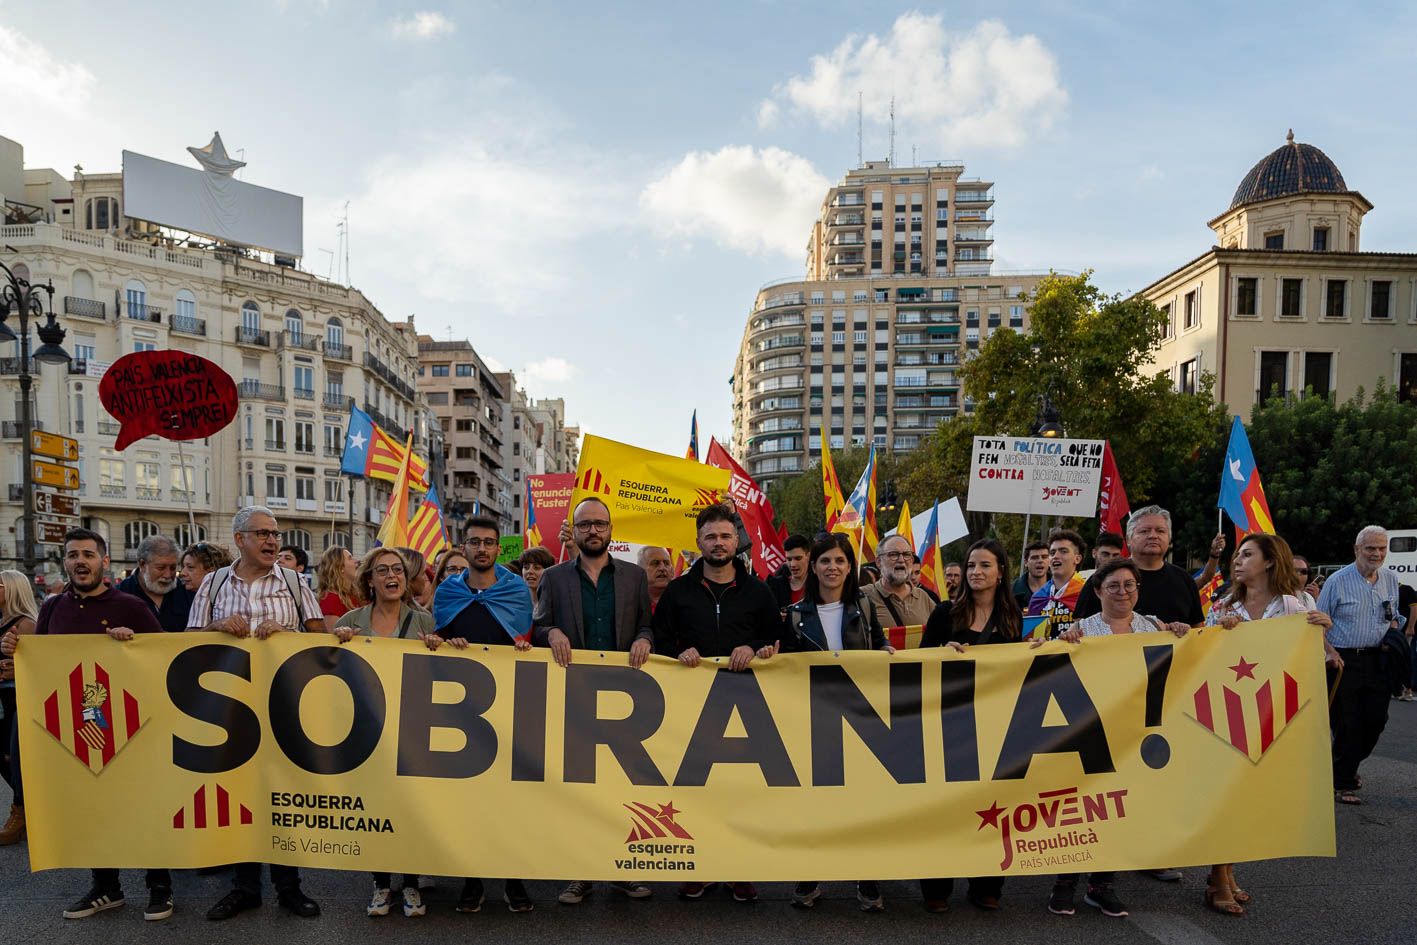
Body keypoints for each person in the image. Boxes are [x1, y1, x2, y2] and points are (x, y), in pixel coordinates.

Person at [2, 529, 170, 920]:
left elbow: (164, 658)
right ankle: (105, 887)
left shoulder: (132, 607)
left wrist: (131, 645)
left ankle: (160, 887)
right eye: (73, 554)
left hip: (132, 729)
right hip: (77, 730)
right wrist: (16, 652)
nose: (81, 561)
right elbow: (40, 665)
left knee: (142, 808)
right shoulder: (52, 608)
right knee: (93, 809)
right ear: (65, 562)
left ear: (104, 562)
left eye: (88, 555)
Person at [189, 506, 324, 921]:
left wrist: (287, 635)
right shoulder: (212, 584)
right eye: (262, 533)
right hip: (229, 708)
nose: (272, 541)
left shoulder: (294, 581)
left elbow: (320, 638)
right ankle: (244, 889)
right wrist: (216, 628)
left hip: (284, 704)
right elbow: (188, 640)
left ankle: (290, 888)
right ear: (239, 539)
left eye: (276, 534)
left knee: (282, 792)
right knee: (241, 795)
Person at [1047, 558, 1189, 919]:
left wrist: (1185, 635)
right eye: (1114, 586)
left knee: (1117, 811)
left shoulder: (1154, 628)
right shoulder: (1081, 629)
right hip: (1090, 732)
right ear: (1098, 591)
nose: (1122, 592)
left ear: (1138, 590)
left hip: (1135, 737)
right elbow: (1049, 665)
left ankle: (1102, 887)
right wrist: (1062, 642)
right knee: (1081, 810)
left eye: (1129, 585)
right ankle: (1064, 884)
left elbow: (1187, 659)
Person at [652, 503, 780, 904]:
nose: (719, 543)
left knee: (742, 793)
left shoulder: (759, 591)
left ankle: (739, 869)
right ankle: (700, 869)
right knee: (697, 794)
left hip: (748, 708)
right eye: (710, 537)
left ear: (736, 540)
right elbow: (659, 642)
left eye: (725, 536)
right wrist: (680, 653)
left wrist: (754, 647)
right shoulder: (678, 592)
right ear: (698, 542)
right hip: (692, 709)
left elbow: (777, 641)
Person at [1202, 532, 1334, 916]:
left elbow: (1314, 657)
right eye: (1237, 555)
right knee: (1224, 798)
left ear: (1270, 562)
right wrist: (1215, 635)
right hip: (1227, 715)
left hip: (1274, 716)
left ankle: (1225, 872)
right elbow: (1201, 658)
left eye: (1247, 555)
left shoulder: (1295, 606)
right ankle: (1218, 879)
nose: (1238, 561)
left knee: (1248, 800)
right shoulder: (1223, 606)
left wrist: (1323, 630)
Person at [532, 497, 654, 906]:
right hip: (575, 697)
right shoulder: (553, 577)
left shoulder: (635, 578)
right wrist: (550, 634)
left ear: (611, 529)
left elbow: (648, 627)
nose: (593, 531)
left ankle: (621, 871)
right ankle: (579, 872)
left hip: (625, 699)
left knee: (620, 789)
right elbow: (538, 626)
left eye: (599, 524)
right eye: (584, 525)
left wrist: (643, 639)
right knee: (580, 790)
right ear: (575, 530)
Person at [426, 516, 536, 914]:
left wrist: (527, 646)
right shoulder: (447, 593)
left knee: (510, 800)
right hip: (462, 710)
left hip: (511, 708)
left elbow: (527, 636)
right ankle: (472, 881)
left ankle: (513, 879)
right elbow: (434, 642)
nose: (483, 549)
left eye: (489, 542)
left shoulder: (517, 590)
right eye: (475, 542)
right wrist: (443, 643)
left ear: (496, 548)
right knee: (469, 801)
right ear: (465, 546)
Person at [785, 533, 893, 912]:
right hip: (816, 721)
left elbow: (879, 644)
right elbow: (786, 667)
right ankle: (811, 877)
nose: (833, 568)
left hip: (861, 720)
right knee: (817, 804)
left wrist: (885, 653)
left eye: (841, 561)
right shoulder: (796, 615)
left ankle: (866, 879)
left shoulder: (863, 606)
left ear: (851, 567)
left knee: (862, 804)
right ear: (813, 567)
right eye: (826, 561)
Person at [330, 548, 434, 917]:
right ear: (369, 580)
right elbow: (333, 673)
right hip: (368, 729)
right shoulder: (351, 620)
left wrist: (438, 650)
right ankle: (380, 885)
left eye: (398, 570)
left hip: (410, 729)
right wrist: (337, 642)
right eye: (383, 570)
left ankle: (410, 884)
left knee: (408, 809)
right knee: (376, 808)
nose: (392, 576)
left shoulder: (424, 622)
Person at [918, 539, 1020, 913]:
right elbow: (922, 660)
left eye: (985, 566)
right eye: (972, 565)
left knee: (992, 807)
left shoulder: (1012, 615)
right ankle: (936, 888)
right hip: (949, 722)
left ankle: (987, 885)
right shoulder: (945, 613)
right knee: (943, 808)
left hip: (994, 724)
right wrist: (943, 652)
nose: (976, 572)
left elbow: (1017, 667)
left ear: (1001, 572)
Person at [1321, 525, 1406, 806]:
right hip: (1344, 660)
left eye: (1382, 548)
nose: (1377, 553)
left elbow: (1393, 616)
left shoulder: (1391, 580)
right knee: (1347, 723)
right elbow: (1317, 625)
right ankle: (1343, 780)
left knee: (1376, 721)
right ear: (1357, 549)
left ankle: (1344, 766)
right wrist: (1330, 652)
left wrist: (1393, 637)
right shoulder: (1337, 581)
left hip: (1378, 660)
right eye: (1371, 548)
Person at [1074, 507, 1203, 628]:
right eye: (1144, 531)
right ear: (1129, 539)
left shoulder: (1184, 579)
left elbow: (1198, 630)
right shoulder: (1104, 577)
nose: (1153, 536)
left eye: (1160, 531)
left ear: (1169, 539)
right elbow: (1080, 628)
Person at [0, 569, 38, 846]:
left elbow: (29, 666)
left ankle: (22, 810)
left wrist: (11, 671)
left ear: (13, 589)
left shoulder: (25, 624)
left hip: (14, 699)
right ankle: (30, 808)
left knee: (16, 755)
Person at [861, 534, 937, 634]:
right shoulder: (862, 596)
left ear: (911, 560)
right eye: (893, 554)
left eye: (906, 554)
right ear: (879, 562)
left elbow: (943, 634)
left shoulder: (923, 596)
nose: (901, 560)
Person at [117, 535, 194, 632]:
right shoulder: (120, 594)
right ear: (142, 564)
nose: (168, 575)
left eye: (173, 568)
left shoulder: (188, 591)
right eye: (161, 568)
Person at [1024, 529, 1087, 640]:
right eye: (1052, 553)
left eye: (1063, 551)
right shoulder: (1038, 597)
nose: (1055, 556)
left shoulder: (1087, 593)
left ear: (1077, 559)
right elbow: (1030, 639)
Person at [316, 546, 361, 620]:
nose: (356, 561)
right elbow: (332, 631)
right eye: (350, 558)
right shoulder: (331, 600)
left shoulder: (354, 595)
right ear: (340, 568)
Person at [767, 534, 811, 610]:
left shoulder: (820, 585)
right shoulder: (775, 586)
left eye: (798, 558)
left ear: (808, 556)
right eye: (789, 559)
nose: (793, 564)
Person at [637, 545, 674, 612]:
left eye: (666, 563)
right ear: (640, 569)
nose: (662, 568)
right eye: (655, 563)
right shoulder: (631, 604)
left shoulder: (684, 601)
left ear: (672, 571)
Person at [1013, 541, 1050, 608]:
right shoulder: (1012, 591)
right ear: (1026, 562)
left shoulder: (1061, 588)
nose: (1040, 561)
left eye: (1044, 557)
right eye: (1035, 557)